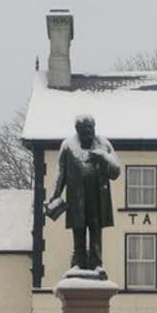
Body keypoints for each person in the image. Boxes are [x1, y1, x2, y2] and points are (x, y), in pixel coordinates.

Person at [47, 114, 121, 271]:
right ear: (77, 129)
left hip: (98, 196)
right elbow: (61, 172)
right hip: (77, 197)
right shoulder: (68, 145)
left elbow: (115, 172)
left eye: (90, 128)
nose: (88, 132)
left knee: (95, 230)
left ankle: (97, 264)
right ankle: (79, 263)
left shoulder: (103, 144)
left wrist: (103, 157)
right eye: (84, 129)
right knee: (78, 230)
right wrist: (55, 195)